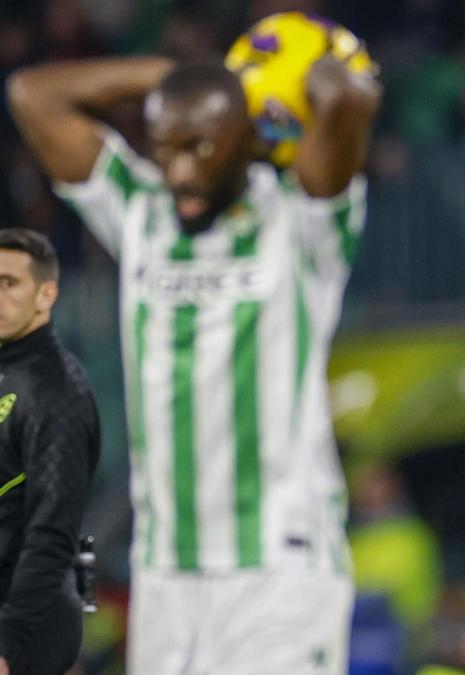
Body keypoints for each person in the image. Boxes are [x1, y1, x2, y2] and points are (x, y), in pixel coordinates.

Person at [7, 50, 380, 673]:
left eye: (200, 148)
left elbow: (342, 106)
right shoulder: (140, 211)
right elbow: (31, 94)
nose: (179, 171)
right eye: (163, 147)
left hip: (279, 568)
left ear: (249, 140)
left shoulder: (299, 223)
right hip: (166, 574)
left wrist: (291, 75)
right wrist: (174, 76)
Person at [0, 228, 100, 674]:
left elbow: (51, 534)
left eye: (9, 284)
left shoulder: (55, 391)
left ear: (46, 295)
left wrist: (8, 644)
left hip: (24, 636)